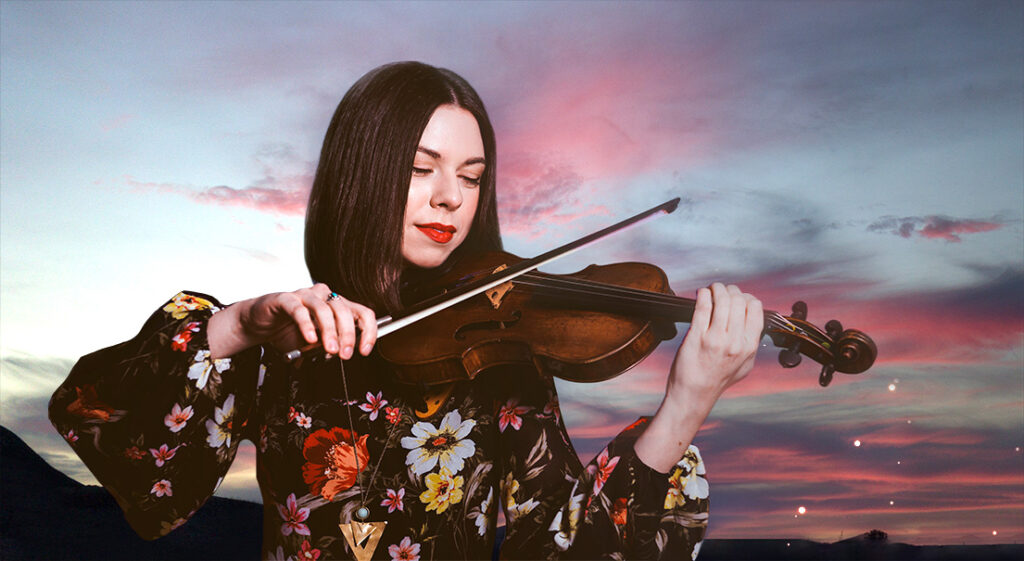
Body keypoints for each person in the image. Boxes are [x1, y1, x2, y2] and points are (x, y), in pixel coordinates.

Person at [50, 61, 763, 561]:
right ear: (364, 171)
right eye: (422, 169)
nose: (451, 197)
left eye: (471, 177)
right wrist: (238, 323)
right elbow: (105, 431)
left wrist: (687, 402)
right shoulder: (285, 341)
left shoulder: (500, 360)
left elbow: (561, 550)